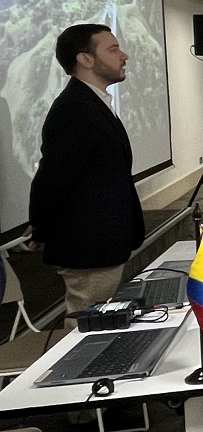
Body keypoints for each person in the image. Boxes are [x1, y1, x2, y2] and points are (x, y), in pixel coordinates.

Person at [26, 24, 144, 316]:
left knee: (102, 323)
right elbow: (53, 178)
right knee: (88, 327)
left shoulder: (92, 102)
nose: (124, 55)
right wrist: (40, 227)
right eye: (113, 49)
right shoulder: (74, 109)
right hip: (88, 247)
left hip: (102, 243)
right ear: (85, 59)